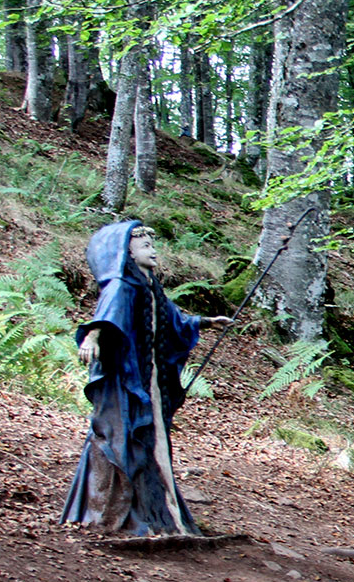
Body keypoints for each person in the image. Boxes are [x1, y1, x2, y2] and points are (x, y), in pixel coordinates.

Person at [61, 220, 228, 537]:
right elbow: (107, 315)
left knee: (149, 440)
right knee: (122, 437)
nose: (153, 251)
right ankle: (114, 512)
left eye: (153, 245)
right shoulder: (122, 285)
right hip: (125, 380)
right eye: (145, 245)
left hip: (147, 378)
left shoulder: (149, 285)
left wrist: (206, 321)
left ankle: (155, 511)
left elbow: (173, 318)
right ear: (127, 251)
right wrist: (93, 338)